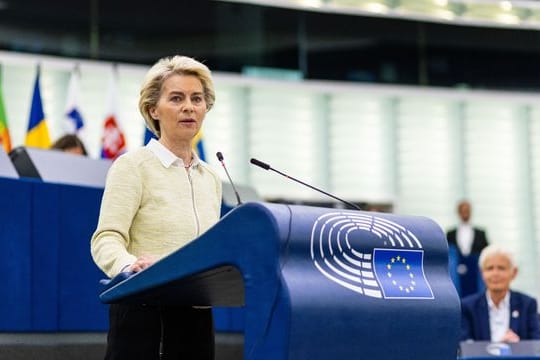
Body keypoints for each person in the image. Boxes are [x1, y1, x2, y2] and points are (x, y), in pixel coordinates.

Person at [91, 55, 222, 360]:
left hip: (198, 315)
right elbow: (105, 239)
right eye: (176, 98)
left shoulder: (211, 178)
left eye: (197, 98)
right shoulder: (132, 166)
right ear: (153, 110)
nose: (189, 106)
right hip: (144, 312)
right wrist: (129, 267)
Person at [461, 244, 540, 342]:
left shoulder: (528, 304)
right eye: (490, 268)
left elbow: (536, 344)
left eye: (501, 268)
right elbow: (465, 346)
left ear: (514, 273)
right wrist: (499, 346)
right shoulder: (467, 307)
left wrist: (518, 346)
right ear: (482, 273)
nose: (495, 274)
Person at [447, 200, 489, 297]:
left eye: (467, 211)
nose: (465, 213)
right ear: (458, 213)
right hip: (457, 275)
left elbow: (487, 254)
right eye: (463, 211)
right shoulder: (450, 234)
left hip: (476, 273)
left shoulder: (480, 233)